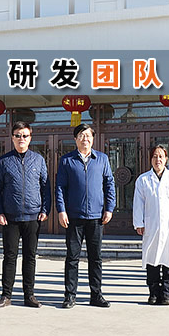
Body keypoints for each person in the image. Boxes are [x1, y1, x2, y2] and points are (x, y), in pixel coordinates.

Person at [56, 123, 116, 309]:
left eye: (88, 135)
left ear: (93, 138)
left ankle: (96, 295)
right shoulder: (67, 160)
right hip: (74, 217)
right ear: (75, 139)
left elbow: (109, 184)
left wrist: (109, 208)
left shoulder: (102, 159)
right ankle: (70, 296)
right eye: (81, 135)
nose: (85, 139)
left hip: (96, 217)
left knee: (95, 258)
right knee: (72, 258)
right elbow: (60, 187)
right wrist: (61, 210)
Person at [0, 121, 50, 308]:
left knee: (30, 257)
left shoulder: (38, 160)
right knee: (10, 256)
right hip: (11, 217)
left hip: (33, 217)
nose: (21, 139)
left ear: (30, 138)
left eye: (25, 135)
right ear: (12, 138)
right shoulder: (4, 161)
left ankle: (29, 295)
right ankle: (6, 295)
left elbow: (45, 187)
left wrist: (45, 209)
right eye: (17, 135)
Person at [133, 145, 169, 306]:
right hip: (151, 226)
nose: (158, 159)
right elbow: (138, 203)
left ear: (166, 159)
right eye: (154, 156)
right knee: (152, 260)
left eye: (161, 156)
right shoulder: (143, 180)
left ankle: (166, 293)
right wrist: (139, 223)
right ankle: (153, 293)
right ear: (150, 159)